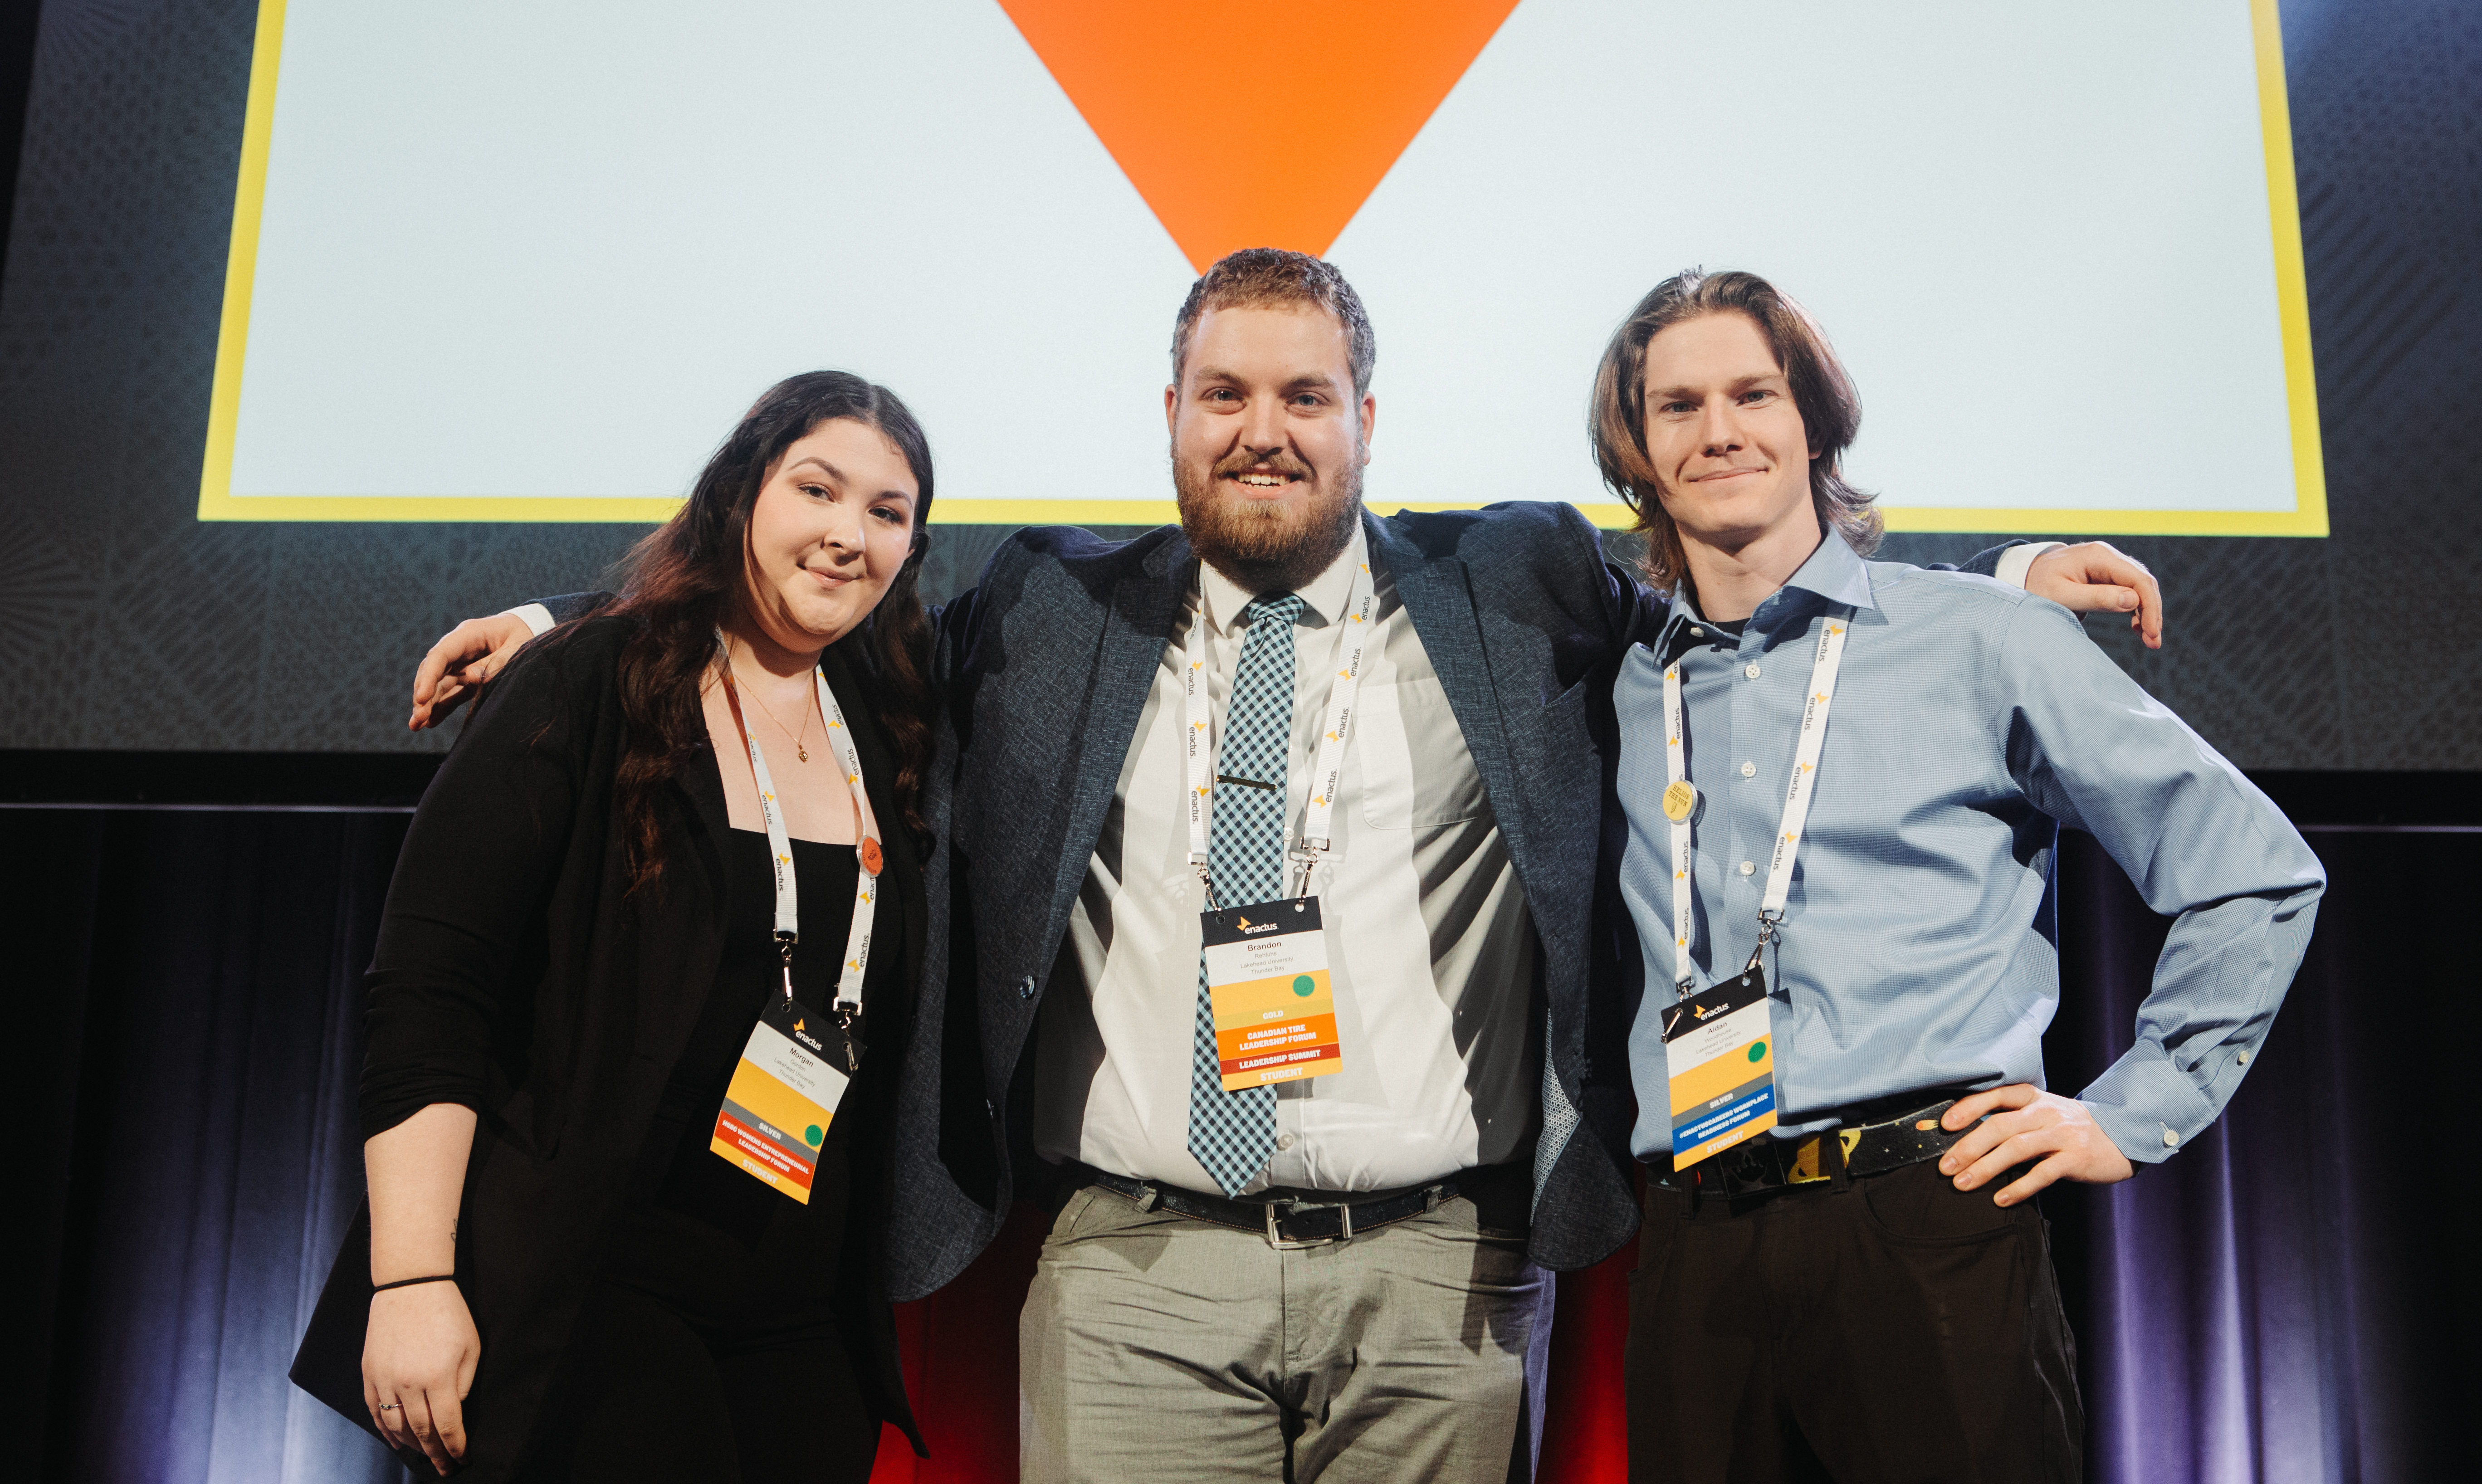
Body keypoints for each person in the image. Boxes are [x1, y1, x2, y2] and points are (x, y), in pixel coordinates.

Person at [410, 251, 2166, 1482]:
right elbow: (830, 617)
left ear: (1368, 417)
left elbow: (1754, 602)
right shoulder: (1047, 609)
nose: (1266, 427)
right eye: (1228, 392)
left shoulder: (1517, 588)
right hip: (1127, 1277)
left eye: (1305, 394)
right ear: (1169, 408)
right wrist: (576, 617)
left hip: (1440, 1281)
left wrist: (1992, 582)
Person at [1583, 269, 2323, 1484]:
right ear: (1639, 454)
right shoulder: (1620, 678)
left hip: (1925, 1221)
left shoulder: (1980, 641)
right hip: (1697, 1237)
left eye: (1753, 394)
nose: (1719, 430)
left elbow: (2252, 871)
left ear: (1814, 422)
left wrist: (2135, 1110)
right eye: (1677, 406)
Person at [290, 372, 939, 1482]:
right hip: (587, 1297)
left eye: (888, 513)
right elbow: (431, 992)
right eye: (818, 490)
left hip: (799, 1326)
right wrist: (411, 1281)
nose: (847, 536)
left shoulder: (888, 724)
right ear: (741, 496)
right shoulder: (590, 686)